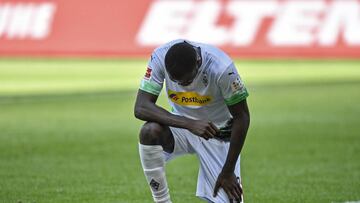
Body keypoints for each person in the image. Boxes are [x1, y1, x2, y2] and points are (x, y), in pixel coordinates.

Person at [134, 39, 250, 203]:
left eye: (187, 81)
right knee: (149, 131)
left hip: (218, 133)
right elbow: (141, 107)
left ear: (198, 62)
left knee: (229, 198)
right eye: (176, 82)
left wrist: (228, 170)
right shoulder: (159, 57)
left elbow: (242, 117)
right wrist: (189, 124)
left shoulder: (222, 68)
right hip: (183, 127)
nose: (183, 85)